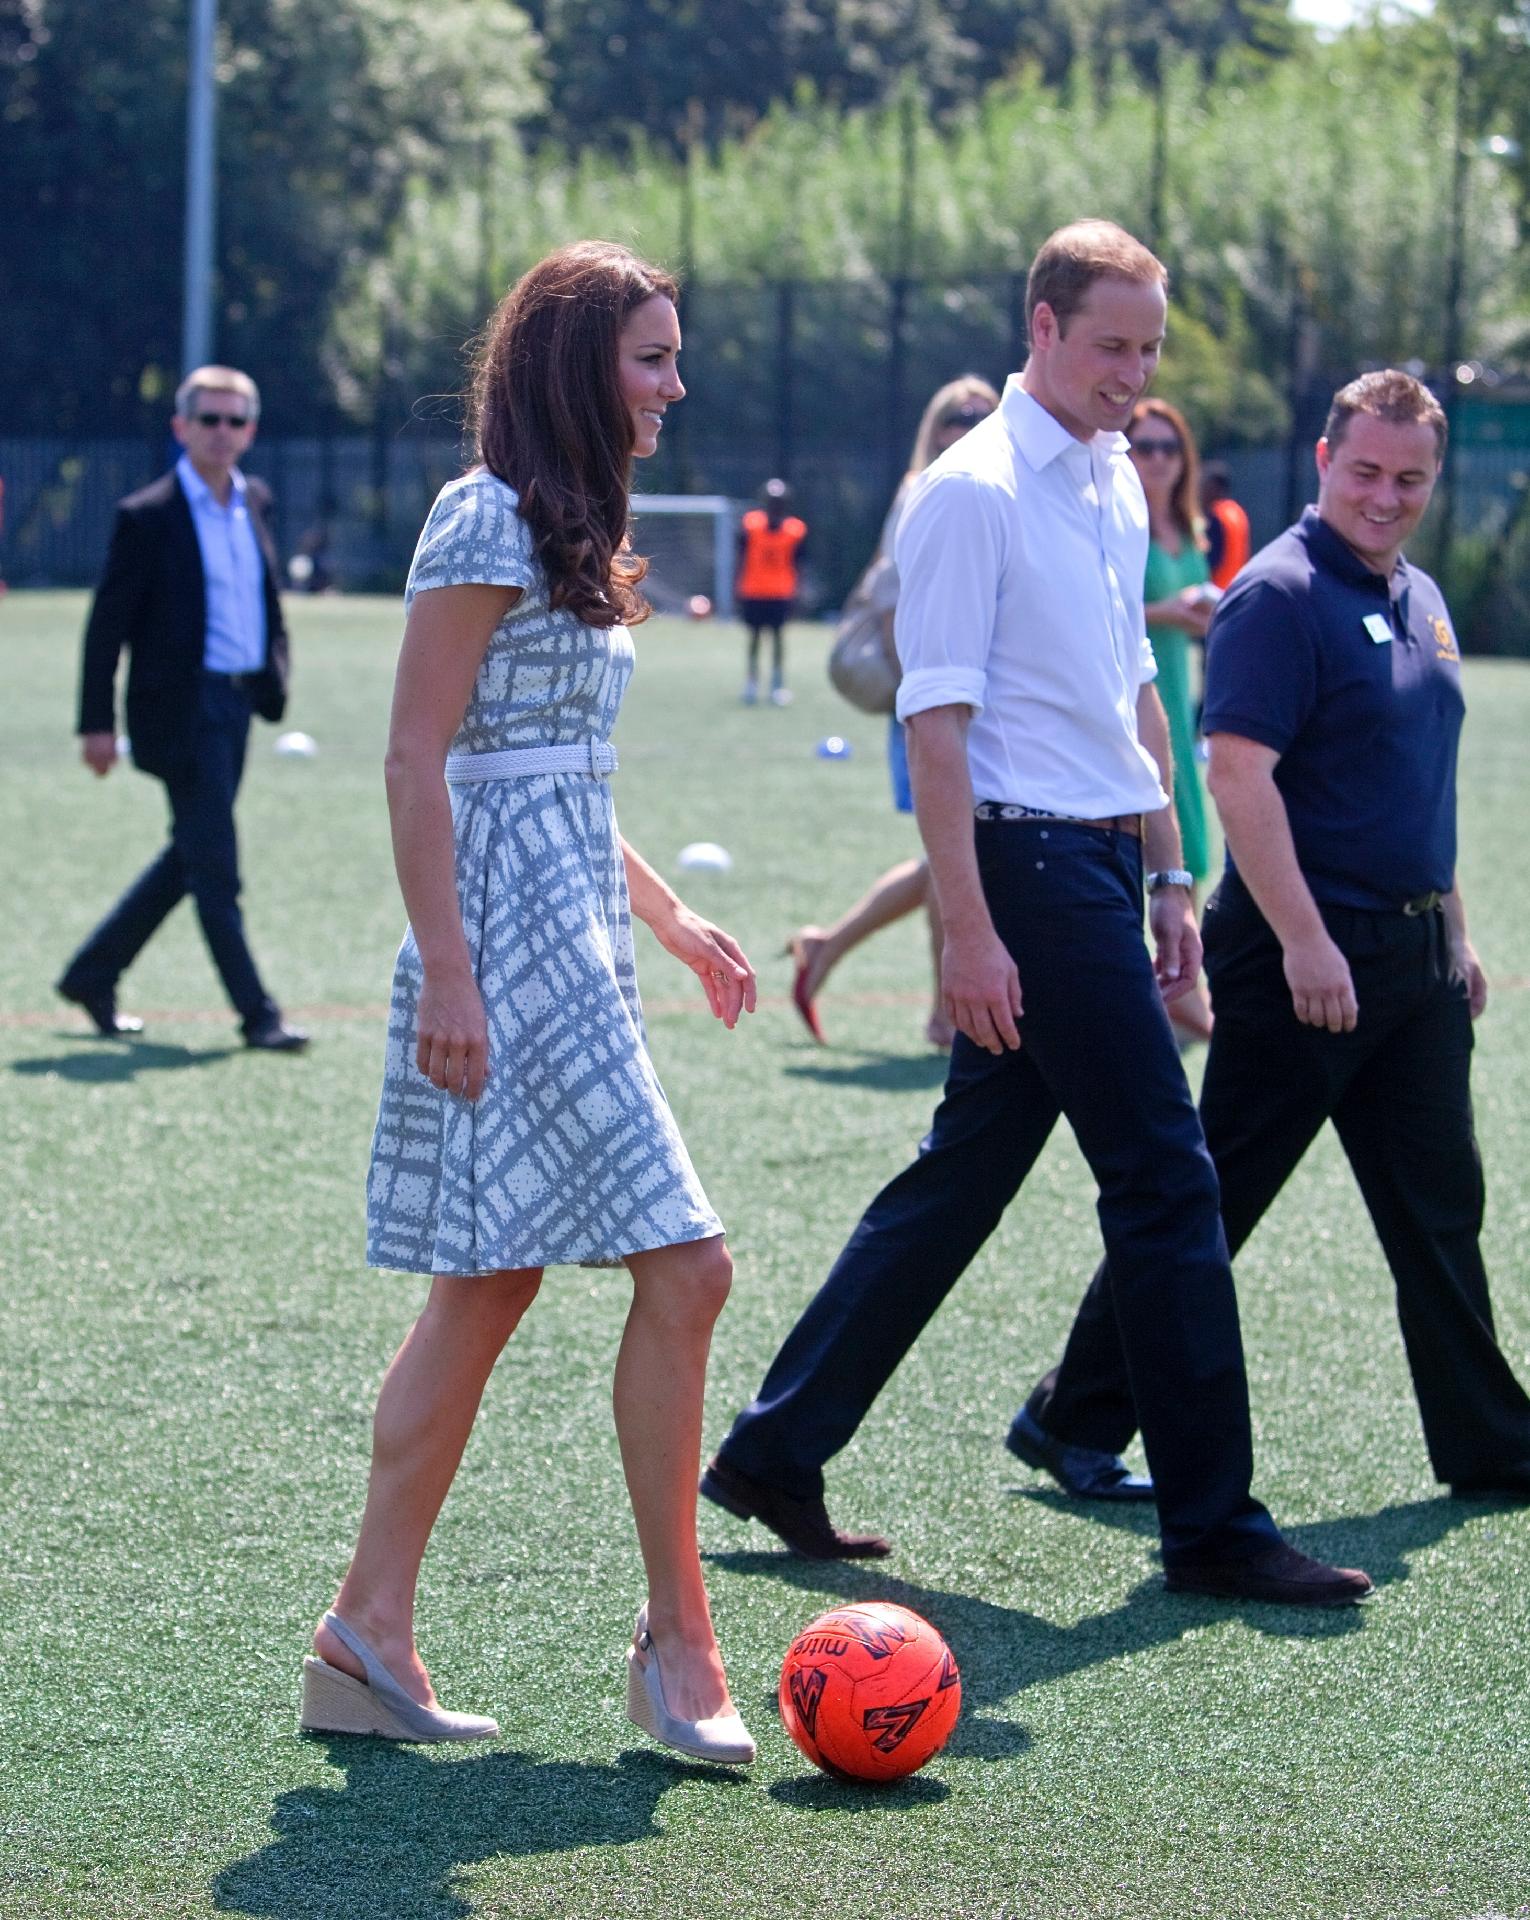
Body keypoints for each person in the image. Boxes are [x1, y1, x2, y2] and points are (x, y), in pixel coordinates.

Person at [701, 220, 1372, 1608]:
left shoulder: (1115, 480)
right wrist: (966, 931)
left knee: (963, 1174)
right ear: (1043, 328)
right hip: (1028, 873)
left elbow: (1132, 695)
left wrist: (1171, 873)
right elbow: (934, 725)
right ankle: (1214, 1529)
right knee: (1167, 1177)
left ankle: (773, 1451)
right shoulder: (971, 491)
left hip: (1102, 867)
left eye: (1150, 349)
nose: (1134, 373)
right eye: (1111, 344)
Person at [301, 242, 760, 1765]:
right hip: (501, 944)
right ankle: (680, 1643)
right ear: (576, 364)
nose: (675, 384)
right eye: (651, 358)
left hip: (578, 928)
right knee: (687, 1267)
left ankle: (365, 1632)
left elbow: (551, 766)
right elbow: (416, 757)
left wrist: (669, 914)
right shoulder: (480, 514)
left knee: (488, 1285)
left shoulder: (576, 522)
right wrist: (447, 967)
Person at [1013, 368, 1530, 1506]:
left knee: (1443, 1207)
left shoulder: (1423, 598)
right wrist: (1305, 942)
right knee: (1216, 1200)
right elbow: (1239, 778)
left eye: (1410, 479)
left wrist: (1455, 930)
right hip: (1303, 955)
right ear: (1324, 461)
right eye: (1366, 471)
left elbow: (1418, 784)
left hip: (1412, 960)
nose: (1386, 497)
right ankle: (1071, 1416)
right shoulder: (1278, 595)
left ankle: (1493, 1443)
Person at [58, 366, 307, 1051]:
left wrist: (275, 673)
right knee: (215, 866)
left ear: (250, 431)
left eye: (235, 420)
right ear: (182, 427)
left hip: (238, 705)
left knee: (193, 854)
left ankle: (91, 974)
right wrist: (97, 723)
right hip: (180, 710)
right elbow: (106, 627)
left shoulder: (256, 501)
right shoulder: (146, 516)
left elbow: (267, 602)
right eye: (209, 419)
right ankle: (259, 1015)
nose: (222, 432)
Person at [787, 376, 1000, 1050]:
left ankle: (826, 947)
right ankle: (945, 1012)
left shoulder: (991, 488)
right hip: (933, 703)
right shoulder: (924, 489)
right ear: (933, 429)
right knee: (952, 853)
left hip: (967, 702)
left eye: (983, 414)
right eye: (956, 416)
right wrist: (927, 703)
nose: (969, 425)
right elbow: (890, 602)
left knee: (946, 855)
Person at [1127, 397, 1215, 1042]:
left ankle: (1183, 984)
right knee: (1155, 840)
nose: (1158, 459)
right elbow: (1102, 611)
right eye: (1145, 446)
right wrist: (1170, 612)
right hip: (1135, 696)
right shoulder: (1119, 519)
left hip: (1179, 698)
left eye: (1169, 447)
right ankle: (1175, 995)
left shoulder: (1188, 526)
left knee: (1192, 844)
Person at [736, 478, 807, 705]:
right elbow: (741, 557)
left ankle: (777, 684)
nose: (775, 506)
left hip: (780, 592)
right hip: (754, 590)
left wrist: (798, 591)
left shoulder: (795, 530)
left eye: (779, 502)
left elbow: (798, 563)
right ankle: (751, 683)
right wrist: (737, 586)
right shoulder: (751, 525)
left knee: (778, 638)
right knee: (754, 638)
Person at [1201, 461, 1251, 591]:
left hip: (1215, 590)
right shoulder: (1237, 512)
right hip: (1234, 587)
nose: (1202, 491)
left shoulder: (1216, 515)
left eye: (1205, 486)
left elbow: (1212, 560)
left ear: (1215, 487)